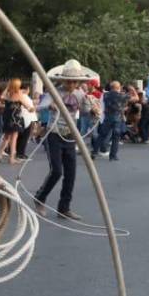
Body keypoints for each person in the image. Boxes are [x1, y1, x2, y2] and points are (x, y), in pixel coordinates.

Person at [34, 60, 98, 220]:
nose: (71, 84)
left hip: (70, 135)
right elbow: (41, 106)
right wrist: (50, 106)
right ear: (63, 80)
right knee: (56, 171)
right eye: (69, 81)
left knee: (71, 174)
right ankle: (40, 197)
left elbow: (85, 111)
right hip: (54, 134)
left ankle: (64, 208)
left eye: (74, 81)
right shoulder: (54, 93)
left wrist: (93, 112)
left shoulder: (80, 95)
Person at [0, 78, 32, 165]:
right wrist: (31, 108)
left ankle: (0, 154)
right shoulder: (19, 95)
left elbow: (1, 97)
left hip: (7, 118)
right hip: (15, 119)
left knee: (6, 137)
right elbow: (27, 106)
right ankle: (11, 158)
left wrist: (7, 87)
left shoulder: (8, 94)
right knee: (14, 138)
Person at [93, 80, 128, 161]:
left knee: (101, 136)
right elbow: (134, 98)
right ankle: (113, 156)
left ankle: (94, 152)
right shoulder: (121, 95)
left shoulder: (105, 95)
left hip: (107, 118)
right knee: (116, 138)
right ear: (118, 87)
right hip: (117, 118)